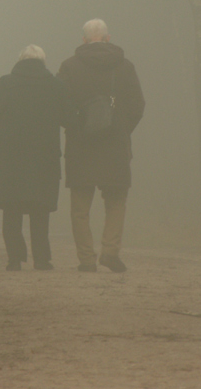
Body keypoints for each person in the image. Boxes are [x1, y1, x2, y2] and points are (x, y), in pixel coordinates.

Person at [58, 19, 145, 272]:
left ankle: (86, 260)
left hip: (81, 145)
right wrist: (121, 129)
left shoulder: (69, 67)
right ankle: (110, 252)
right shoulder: (125, 67)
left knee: (80, 207)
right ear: (108, 38)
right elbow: (138, 105)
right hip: (115, 145)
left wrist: (75, 127)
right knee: (116, 202)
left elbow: (60, 104)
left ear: (84, 40)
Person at [0, 45, 75, 271]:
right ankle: (42, 260)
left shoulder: (4, 84)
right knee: (40, 208)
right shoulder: (56, 85)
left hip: (9, 156)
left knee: (11, 208)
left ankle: (15, 259)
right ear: (43, 62)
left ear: (20, 61)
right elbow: (68, 119)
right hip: (45, 156)